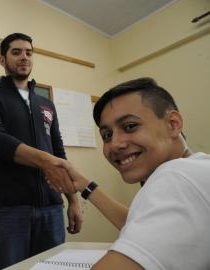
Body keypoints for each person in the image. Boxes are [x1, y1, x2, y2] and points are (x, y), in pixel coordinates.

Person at [64, 78, 210, 269]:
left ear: (173, 123)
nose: (115, 144)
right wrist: (84, 185)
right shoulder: (197, 169)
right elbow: (141, 224)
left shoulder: (175, 176)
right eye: (107, 135)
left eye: (130, 126)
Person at [0, 33, 83, 270]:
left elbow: (58, 152)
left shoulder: (46, 104)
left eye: (29, 52)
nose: (24, 57)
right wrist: (45, 161)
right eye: (16, 52)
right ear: (2, 60)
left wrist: (72, 200)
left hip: (52, 209)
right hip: (9, 211)